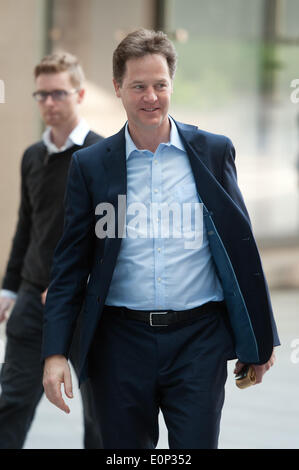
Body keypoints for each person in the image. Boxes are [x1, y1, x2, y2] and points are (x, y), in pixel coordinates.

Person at [42, 29, 280, 449]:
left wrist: (260, 337)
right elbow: (70, 265)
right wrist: (55, 353)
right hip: (118, 344)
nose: (150, 96)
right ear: (117, 88)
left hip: (198, 342)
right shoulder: (91, 166)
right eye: (138, 86)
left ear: (172, 83)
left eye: (159, 85)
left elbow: (241, 250)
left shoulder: (213, 151)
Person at [0, 52, 103, 449]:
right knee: (11, 401)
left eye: (58, 93)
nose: (49, 103)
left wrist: (76, 284)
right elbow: (27, 227)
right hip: (31, 301)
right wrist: (9, 289)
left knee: (100, 413)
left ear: (78, 94)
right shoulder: (32, 157)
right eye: (41, 95)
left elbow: (113, 239)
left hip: (85, 304)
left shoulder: (102, 156)